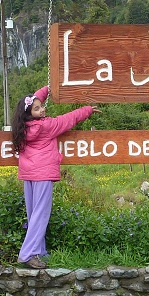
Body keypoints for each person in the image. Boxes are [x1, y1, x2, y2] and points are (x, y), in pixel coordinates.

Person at [11, 85, 101, 269]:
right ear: (30, 113)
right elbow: (68, 119)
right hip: (43, 173)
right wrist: (88, 110)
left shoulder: (23, 127)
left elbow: (33, 100)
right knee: (41, 215)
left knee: (33, 214)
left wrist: (48, 88)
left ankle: (39, 252)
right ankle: (27, 254)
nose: (42, 108)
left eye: (41, 106)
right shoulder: (46, 126)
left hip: (29, 174)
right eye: (38, 108)